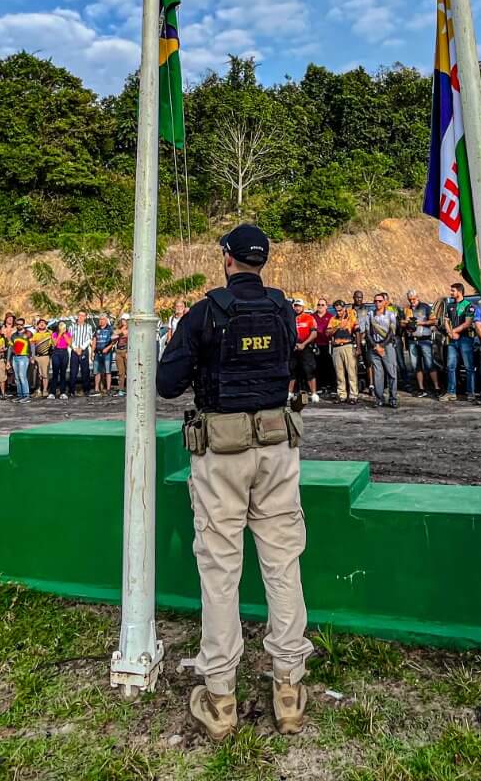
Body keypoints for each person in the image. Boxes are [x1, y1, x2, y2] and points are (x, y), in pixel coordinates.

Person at [156, 225, 311, 740]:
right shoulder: (283, 310)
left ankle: (220, 694)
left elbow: (167, 383)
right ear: (263, 261)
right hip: (277, 444)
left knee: (220, 570)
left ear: (226, 259)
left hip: (221, 451)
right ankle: (289, 686)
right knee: (282, 563)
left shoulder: (205, 313)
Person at [443, 282, 476, 401]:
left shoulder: (469, 305)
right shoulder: (449, 305)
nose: (451, 293)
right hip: (452, 340)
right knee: (450, 366)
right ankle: (451, 392)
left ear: (460, 292)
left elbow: (467, 323)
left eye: (453, 291)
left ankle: (470, 393)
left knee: (469, 367)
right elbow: (446, 321)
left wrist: (454, 332)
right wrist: (450, 333)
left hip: (465, 339)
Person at [404, 289, 439, 397]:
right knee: (416, 365)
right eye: (410, 300)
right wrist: (406, 324)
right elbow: (402, 322)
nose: (412, 301)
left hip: (424, 339)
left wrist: (421, 323)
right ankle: (421, 388)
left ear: (418, 297)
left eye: (414, 299)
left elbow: (434, 320)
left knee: (429, 364)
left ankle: (437, 387)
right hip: (412, 340)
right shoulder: (406, 309)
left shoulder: (425, 307)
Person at [366, 292, 399, 408]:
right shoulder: (370, 314)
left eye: (380, 301)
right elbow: (368, 332)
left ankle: (393, 398)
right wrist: (376, 346)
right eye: (375, 301)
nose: (377, 303)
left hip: (387, 346)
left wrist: (382, 346)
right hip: (374, 346)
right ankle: (379, 398)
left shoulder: (391, 314)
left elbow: (392, 332)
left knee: (392, 373)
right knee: (378, 375)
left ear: (385, 302)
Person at [328, 299, 360, 404]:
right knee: (339, 373)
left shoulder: (351, 318)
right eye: (336, 310)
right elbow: (327, 333)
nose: (339, 312)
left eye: (340, 310)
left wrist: (358, 347)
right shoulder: (333, 319)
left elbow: (357, 331)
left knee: (351, 372)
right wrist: (338, 326)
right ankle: (341, 394)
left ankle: (353, 395)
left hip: (348, 345)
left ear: (344, 309)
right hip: (337, 347)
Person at [290, 298, 320, 405]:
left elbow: (314, 333)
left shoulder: (309, 318)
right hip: (293, 347)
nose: (297, 308)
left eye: (299, 306)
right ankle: (290, 393)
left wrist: (304, 344)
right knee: (291, 370)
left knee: (309, 369)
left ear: (303, 307)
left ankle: (314, 393)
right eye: (295, 306)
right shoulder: (290, 318)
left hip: (306, 346)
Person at [69, 311, 95, 397]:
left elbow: (89, 338)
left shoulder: (88, 327)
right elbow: (70, 339)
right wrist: (76, 348)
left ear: (85, 317)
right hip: (74, 350)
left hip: (84, 350)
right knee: (73, 371)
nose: (80, 317)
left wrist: (82, 348)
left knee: (85, 371)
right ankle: (72, 391)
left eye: (82, 316)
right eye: (79, 315)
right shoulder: (72, 326)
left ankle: (86, 390)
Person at [94, 314, 116, 397]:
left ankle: (108, 389)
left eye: (102, 319)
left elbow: (114, 340)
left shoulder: (110, 329)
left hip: (107, 353)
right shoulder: (97, 328)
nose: (101, 321)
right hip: (97, 352)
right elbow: (94, 339)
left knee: (107, 371)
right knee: (97, 371)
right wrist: (93, 351)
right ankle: (96, 389)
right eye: (100, 319)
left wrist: (108, 348)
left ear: (106, 320)